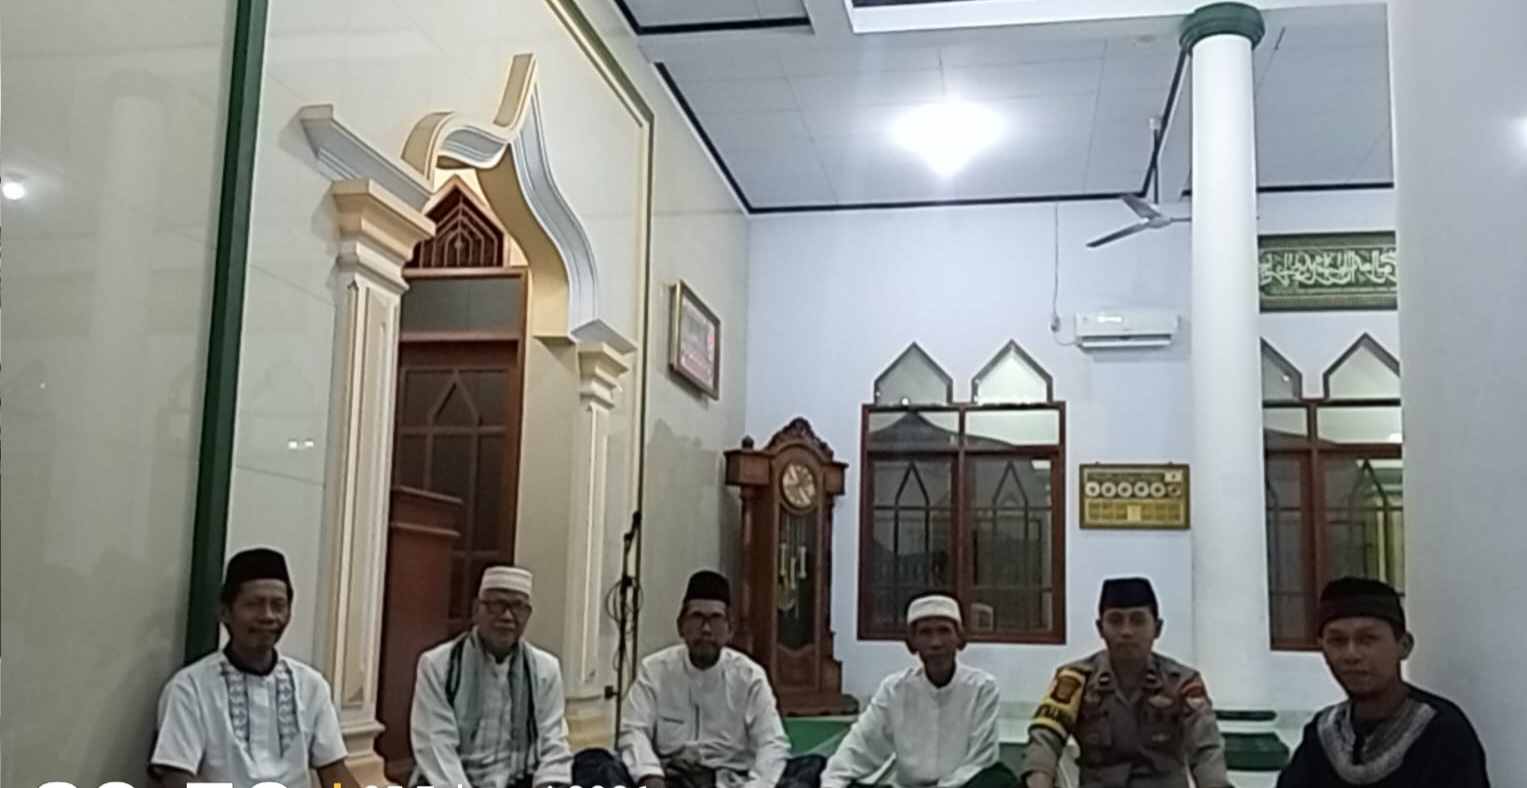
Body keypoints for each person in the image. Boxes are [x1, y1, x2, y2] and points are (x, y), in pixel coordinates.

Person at [149, 548, 358, 788]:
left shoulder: (311, 686)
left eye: (278, 605)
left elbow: (333, 775)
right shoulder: (190, 688)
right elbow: (177, 779)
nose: (268, 616)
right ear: (224, 612)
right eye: (254, 605)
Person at [1275, 577, 1490, 788]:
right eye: (1337, 641)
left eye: (1367, 639)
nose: (1351, 655)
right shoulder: (1324, 733)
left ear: (1404, 646)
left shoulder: (1442, 733)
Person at [1021, 577, 1229, 788]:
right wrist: (1039, 779)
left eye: (1138, 621)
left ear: (1157, 628)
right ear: (1100, 628)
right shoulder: (1076, 680)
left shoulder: (1182, 684)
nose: (1126, 631)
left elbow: (1206, 749)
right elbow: (1046, 736)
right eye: (1115, 621)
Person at [618, 570, 817, 788]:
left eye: (715, 619)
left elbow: (772, 743)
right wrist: (649, 775)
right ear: (681, 626)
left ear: (729, 629)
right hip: (669, 779)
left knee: (815, 768)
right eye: (697, 618)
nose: (706, 629)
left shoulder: (749, 677)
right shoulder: (655, 671)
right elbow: (634, 730)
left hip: (730, 781)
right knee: (597, 762)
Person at [820, 593, 1015, 788]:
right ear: (911, 642)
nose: (936, 642)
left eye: (944, 631)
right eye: (925, 633)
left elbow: (979, 762)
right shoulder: (895, 690)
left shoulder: (982, 688)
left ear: (960, 638)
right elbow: (857, 749)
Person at [410, 565, 573, 788]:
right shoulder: (438, 665)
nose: (507, 616)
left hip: (520, 780)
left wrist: (547, 783)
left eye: (517, 607)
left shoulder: (545, 669)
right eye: (497, 605)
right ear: (476, 610)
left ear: (528, 614)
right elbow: (435, 746)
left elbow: (553, 740)